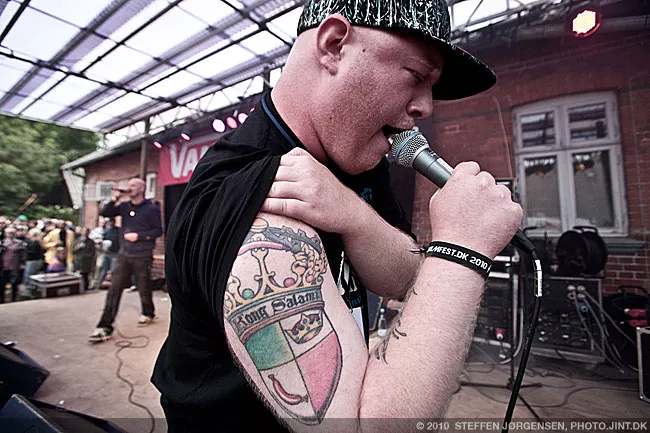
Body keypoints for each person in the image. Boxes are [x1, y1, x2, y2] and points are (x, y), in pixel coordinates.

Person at [152, 1, 523, 432]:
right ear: (333, 46)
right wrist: (462, 247)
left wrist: (353, 217)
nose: (426, 107)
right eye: (416, 76)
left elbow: (404, 277)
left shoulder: (356, 155)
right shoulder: (253, 194)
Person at [88, 178, 162, 343]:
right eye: (128, 185)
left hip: (142, 255)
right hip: (124, 254)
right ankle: (105, 326)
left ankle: (148, 312)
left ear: (142, 189)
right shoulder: (124, 206)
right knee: (114, 289)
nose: (129, 188)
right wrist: (114, 198)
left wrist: (140, 236)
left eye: (133, 185)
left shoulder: (151, 209)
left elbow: (158, 230)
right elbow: (105, 213)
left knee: (143, 286)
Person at [0, 226, 25, 303]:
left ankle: (14, 299)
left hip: (14, 265)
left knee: (14, 283)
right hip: (4, 265)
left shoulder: (19, 243)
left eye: (11, 233)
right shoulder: (2, 242)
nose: (9, 235)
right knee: (2, 283)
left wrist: (22, 263)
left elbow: (23, 254)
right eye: (8, 233)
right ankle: (2, 299)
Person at [22, 228, 45, 299]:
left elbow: (31, 253)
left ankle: (29, 291)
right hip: (38, 261)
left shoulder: (34, 243)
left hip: (33, 261)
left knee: (29, 276)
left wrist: (25, 250)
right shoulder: (39, 242)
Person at [73, 227, 96, 292]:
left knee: (85, 275)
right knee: (78, 275)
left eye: (86, 232)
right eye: (84, 231)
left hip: (86, 262)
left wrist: (86, 257)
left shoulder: (91, 242)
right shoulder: (77, 240)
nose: (85, 233)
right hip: (78, 261)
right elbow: (73, 251)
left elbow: (92, 252)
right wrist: (78, 247)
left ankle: (86, 288)